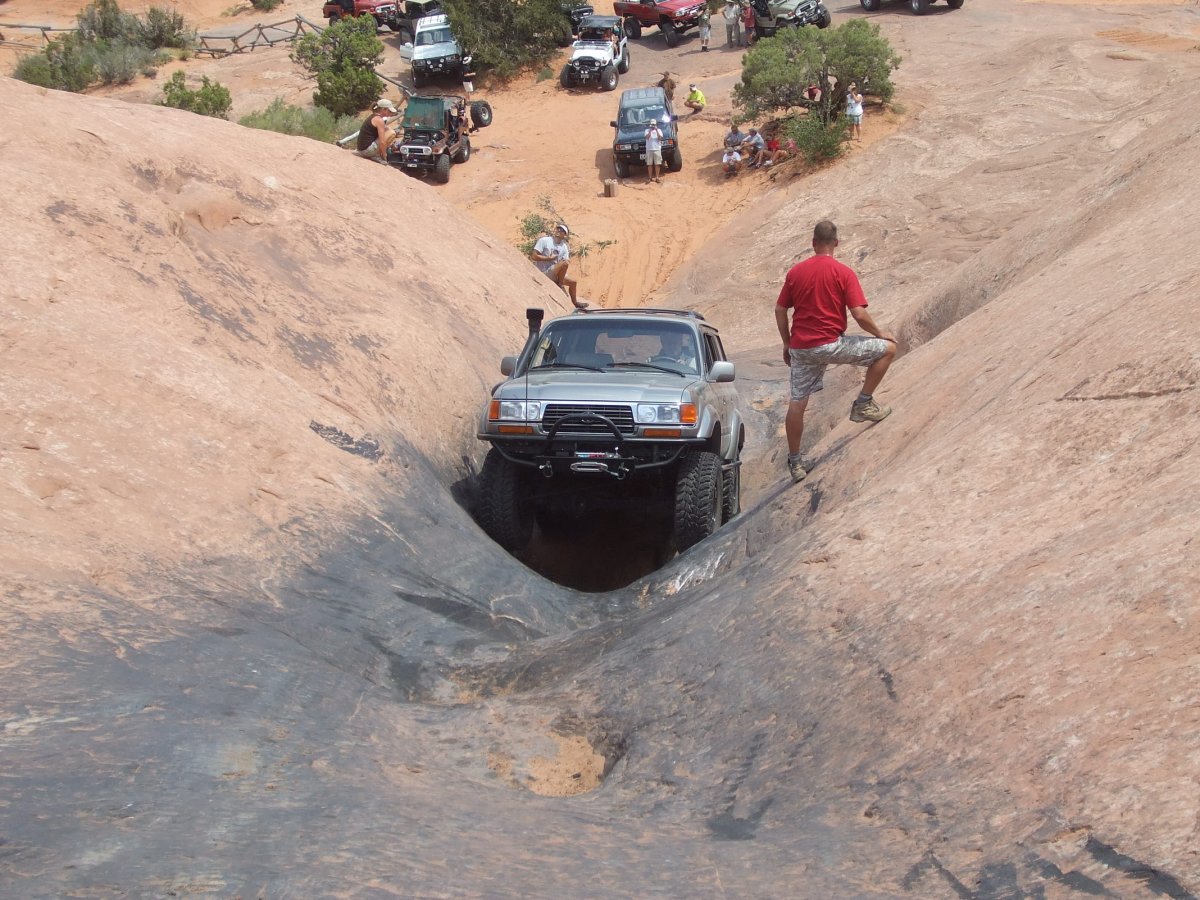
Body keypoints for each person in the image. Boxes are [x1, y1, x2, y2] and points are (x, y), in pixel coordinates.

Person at [774, 220, 897, 483]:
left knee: (797, 404)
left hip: (802, 348)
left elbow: (780, 309)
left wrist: (786, 343)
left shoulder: (796, 272)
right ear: (836, 244)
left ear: (813, 243)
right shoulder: (843, 272)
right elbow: (859, 313)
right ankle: (863, 404)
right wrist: (879, 333)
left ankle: (795, 463)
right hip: (832, 344)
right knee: (888, 349)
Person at [531, 224, 587, 309]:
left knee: (573, 282)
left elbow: (566, 262)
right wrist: (548, 258)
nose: (559, 231)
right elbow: (534, 256)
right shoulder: (544, 240)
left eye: (562, 230)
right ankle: (560, 284)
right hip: (544, 272)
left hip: (555, 273)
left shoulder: (564, 247)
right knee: (564, 263)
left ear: (565, 235)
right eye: (558, 229)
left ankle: (575, 303)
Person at [644, 117, 664, 184]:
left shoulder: (659, 130)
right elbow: (647, 137)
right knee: (649, 164)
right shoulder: (646, 131)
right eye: (652, 125)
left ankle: (657, 177)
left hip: (657, 149)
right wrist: (650, 131)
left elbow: (660, 138)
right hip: (649, 149)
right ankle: (650, 177)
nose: (653, 126)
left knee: (657, 164)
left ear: (656, 124)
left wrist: (657, 130)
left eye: (654, 124)